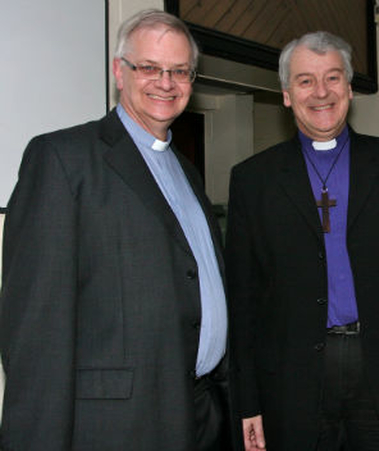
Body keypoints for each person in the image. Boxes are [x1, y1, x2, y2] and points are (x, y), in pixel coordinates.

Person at [0, 9, 233, 450]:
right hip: (119, 427)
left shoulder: (186, 171)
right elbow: (35, 333)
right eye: (149, 67)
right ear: (118, 72)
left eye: (180, 71)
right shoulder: (63, 160)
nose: (166, 82)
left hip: (201, 415)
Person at [225, 31, 379, 451]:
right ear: (287, 94)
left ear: (350, 88)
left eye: (333, 78)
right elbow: (242, 301)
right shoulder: (253, 180)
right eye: (305, 81)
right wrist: (246, 403)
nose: (321, 92)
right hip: (293, 387)